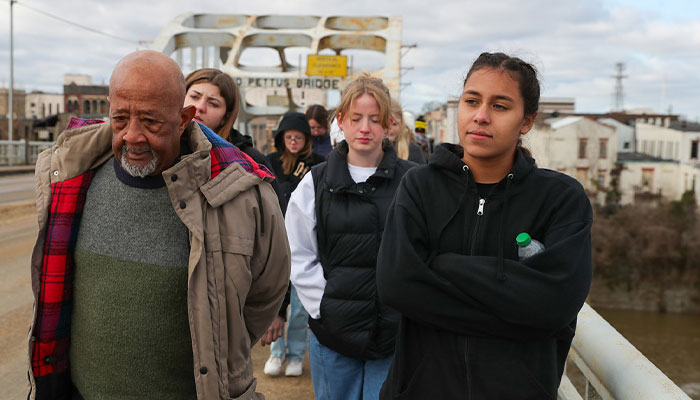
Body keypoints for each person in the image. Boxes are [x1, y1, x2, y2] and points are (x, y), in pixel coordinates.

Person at [27, 50, 290, 400]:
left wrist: (218, 345)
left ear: (183, 119)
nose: (132, 136)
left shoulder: (239, 191)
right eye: (120, 118)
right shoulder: (71, 175)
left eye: (151, 122)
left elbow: (265, 293)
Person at [376, 52, 593, 399]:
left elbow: (556, 304)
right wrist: (515, 309)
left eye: (500, 106)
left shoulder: (560, 199)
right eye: (472, 101)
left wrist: (442, 266)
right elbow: (396, 285)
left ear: (526, 121)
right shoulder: (420, 187)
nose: (480, 116)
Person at [287, 76, 415, 400]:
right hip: (333, 334)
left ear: (388, 124)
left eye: (374, 119)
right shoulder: (315, 182)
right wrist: (324, 306)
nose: (365, 128)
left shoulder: (413, 181)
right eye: (356, 119)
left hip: (393, 333)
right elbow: (297, 251)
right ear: (340, 121)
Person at [261, 112, 324, 377]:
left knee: (300, 308)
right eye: (289, 137)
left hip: (305, 244)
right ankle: (277, 353)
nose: (294, 142)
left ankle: (296, 355)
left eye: (298, 137)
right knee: (274, 302)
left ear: (307, 139)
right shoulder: (271, 162)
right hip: (275, 242)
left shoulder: (317, 164)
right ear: (281, 138)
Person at [184, 68, 276, 179]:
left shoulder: (249, 161)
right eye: (194, 97)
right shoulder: (162, 149)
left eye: (213, 103)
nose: (200, 107)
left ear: (226, 117)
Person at [388, 100, 425, 164]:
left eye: (394, 124)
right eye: (386, 123)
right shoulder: (372, 150)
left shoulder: (414, 150)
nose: (390, 128)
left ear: (402, 124)